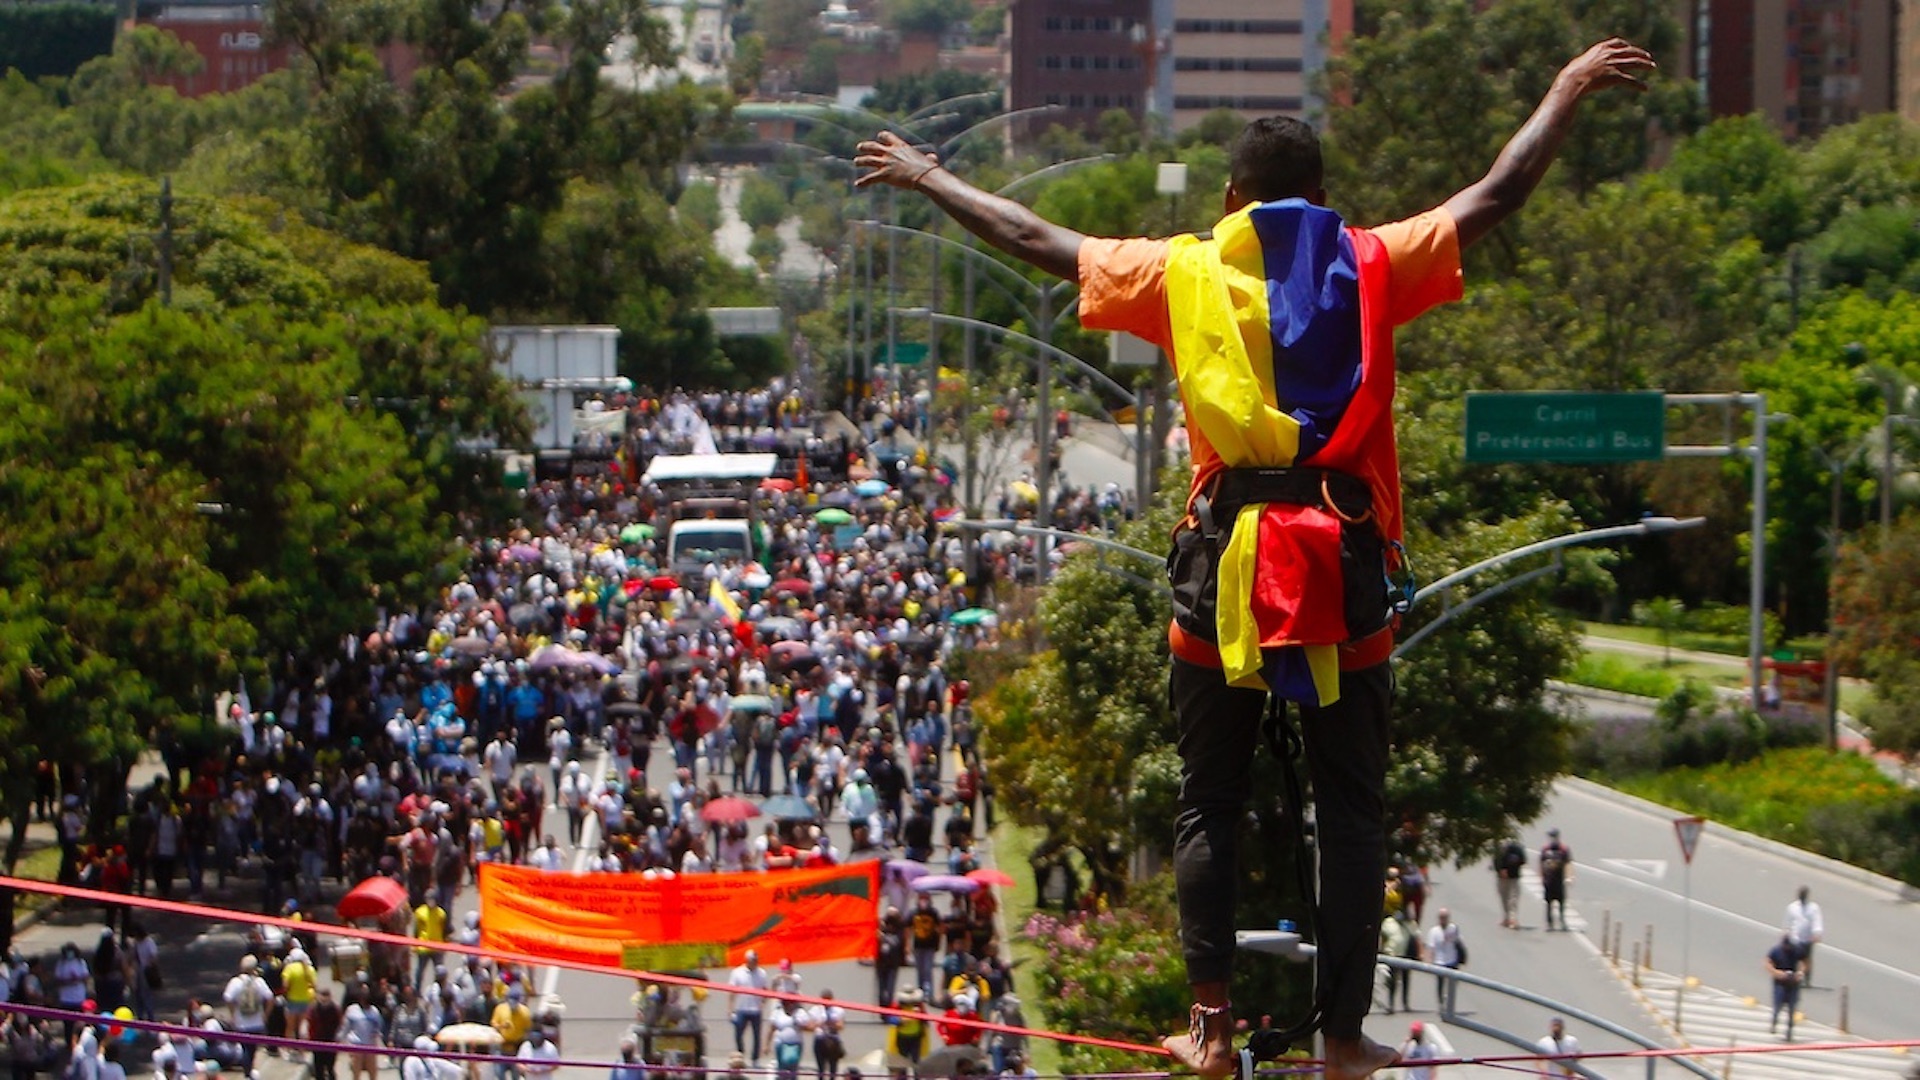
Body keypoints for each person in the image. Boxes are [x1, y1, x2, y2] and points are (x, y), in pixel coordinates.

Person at [854, 35, 1654, 1080]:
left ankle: (1211, 1023)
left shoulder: (1180, 270)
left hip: (1220, 573)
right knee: (1354, 807)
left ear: (1231, 196)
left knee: (1209, 798)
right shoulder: (1372, 260)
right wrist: (1565, 87)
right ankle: (1340, 1039)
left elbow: (1035, 237)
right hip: (1348, 572)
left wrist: (929, 177)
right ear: (1323, 195)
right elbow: (1497, 193)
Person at [728, 950, 769, 1063]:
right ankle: (740, 1054)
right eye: (753, 960)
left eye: (756, 960)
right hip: (741, 1008)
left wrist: (763, 1003)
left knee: (757, 1035)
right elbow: (732, 991)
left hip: (756, 1009)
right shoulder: (737, 972)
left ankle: (755, 1058)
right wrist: (730, 1009)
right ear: (747, 960)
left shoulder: (761, 973)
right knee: (738, 1033)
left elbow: (765, 989)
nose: (755, 962)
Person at [1422, 909, 1464, 1008]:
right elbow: (1431, 947)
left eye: (1445, 917)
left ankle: (1449, 1002)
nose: (1443, 920)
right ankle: (1441, 1003)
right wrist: (1429, 961)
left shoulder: (1453, 928)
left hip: (1452, 960)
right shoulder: (1434, 931)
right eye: (1441, 917)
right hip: (1439, 961)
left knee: (1452, 984)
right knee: (1440, 984)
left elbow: (1459, 942)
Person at [1784, 886, 1824, 988]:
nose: (1801, 896)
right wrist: (1786, 932)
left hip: (1807, 939)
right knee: (1792, 959)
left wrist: (1817, 933)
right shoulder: (1792, 907)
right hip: (1794, 938)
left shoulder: (1813, 908)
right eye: (1800, 894)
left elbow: (1817, 921)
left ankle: (1806, 980)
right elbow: (1788, 921)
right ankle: (1792, 978)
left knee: (1806, 959)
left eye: (1803, 895)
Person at [1765, 932, 1802, 1040]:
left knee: (1792, 1009)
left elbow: (1804, 961)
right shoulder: (1776, 951)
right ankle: (1774, 1021)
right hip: (1780, 983)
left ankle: (1789, 1031)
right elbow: (1767, 962)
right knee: (1778, 1006)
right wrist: (1776, 973)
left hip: (1793, 983)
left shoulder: (1796, 950)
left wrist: (1800, 973)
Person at [1539, 829, 1572, 931]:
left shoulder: (1563, 849)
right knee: (1549, 903)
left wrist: (1569, 877)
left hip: (1559, 880)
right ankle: (1550, 923)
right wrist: (1541, 877)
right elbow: (1541, 863)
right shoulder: (1545, 849)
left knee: (1561, 902)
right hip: (1548, 880)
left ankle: (1562, 921)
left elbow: (1568, 863)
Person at [1493, 838, 1527, 929]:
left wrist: (1514, 867)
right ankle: (1506, 917)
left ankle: (1513, 919)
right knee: (1504, 898)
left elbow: (1523, 861)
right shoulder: (1498, 850)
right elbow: (1495, 862)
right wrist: (1500, 870)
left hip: (1514, 878)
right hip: (1502, 878)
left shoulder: (1517, 850)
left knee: (1513, 899)